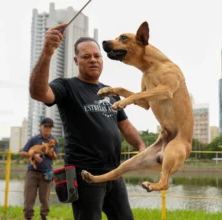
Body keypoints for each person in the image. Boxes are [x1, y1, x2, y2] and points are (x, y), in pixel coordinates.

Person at [29, 23, 146, 220]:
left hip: (114, 174)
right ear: (76, 60)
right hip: (85, 177)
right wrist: (47, 53)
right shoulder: (66, 86)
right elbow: (38, 93)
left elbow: (125, 126)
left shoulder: (110, 92)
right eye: (86, 56)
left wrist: (142, 146)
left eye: (96, 56)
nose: (93, 60)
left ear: (102, 59)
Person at [20, 117, 59, 220]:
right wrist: (33, 155)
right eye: (45, 126)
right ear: (40, 126)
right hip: (32, 172)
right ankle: (28, 217)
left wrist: (48, 151)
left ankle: (44, 216)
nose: (47, 129)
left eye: (50, 127)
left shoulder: (54, 141)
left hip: (46, 172)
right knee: (29, 197)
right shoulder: (34, 139)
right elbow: (23, 152)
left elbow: (55, 157)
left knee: (45, 198)